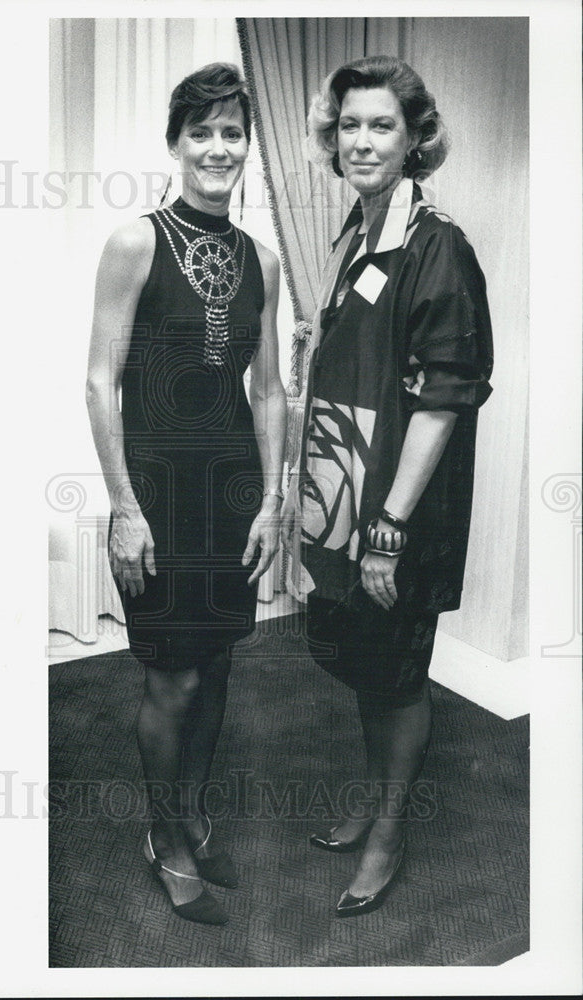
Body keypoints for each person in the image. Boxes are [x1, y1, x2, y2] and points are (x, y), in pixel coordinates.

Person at [282, 55, 493, 917]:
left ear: (414, 141)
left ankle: (389, 829)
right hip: (347, 500)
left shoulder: (435, 245)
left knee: (398, 672)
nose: (360, 141)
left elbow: (445, 396)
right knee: (365, 665)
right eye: (348, 127)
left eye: (381, 126)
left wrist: (390, 526)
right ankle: (375, 797)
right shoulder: (360, 231)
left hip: (395, 513)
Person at [86, 63, 286, 925]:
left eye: (231, 132)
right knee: (171, 679)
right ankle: (162, 838)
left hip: (233, 492)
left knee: (217, 665)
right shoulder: (137, 242)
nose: (216, 147)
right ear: (175, 143)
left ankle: (194, 818)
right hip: (159, 496)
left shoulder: (264, 261)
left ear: (247, 147)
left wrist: (274, 501)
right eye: (200, 131)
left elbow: (270, 391)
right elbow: (99, 382)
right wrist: (124, 508)